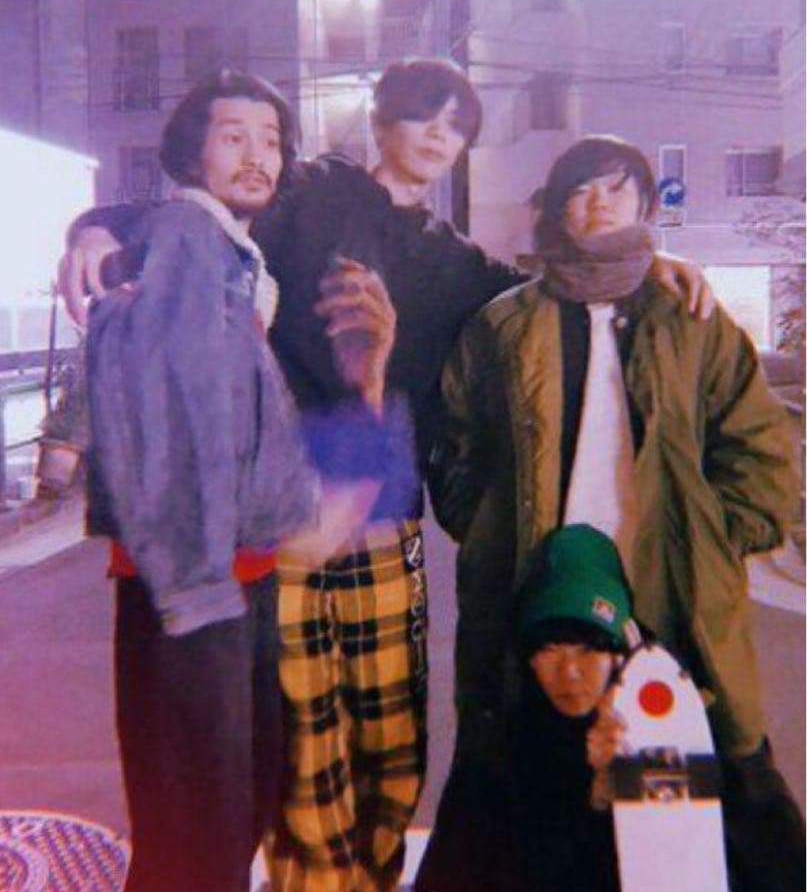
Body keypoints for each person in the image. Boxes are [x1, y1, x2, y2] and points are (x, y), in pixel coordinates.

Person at [60, 62, 713, 891]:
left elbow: (556, 289)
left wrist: (648, 263)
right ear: (378, 121)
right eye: (420, 115)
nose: (439, 134)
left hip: (385, 510)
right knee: (298, 747)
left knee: (390, 737)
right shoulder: (307, 193)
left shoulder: (458, 262)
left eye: (456, 124)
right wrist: (96, 225)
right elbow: (202, 212)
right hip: (285, 515)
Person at [425, 134, 804, 891]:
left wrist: (708, 537)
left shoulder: (691, 318)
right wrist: (490, 525)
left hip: (667, 587)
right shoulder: (504, 324)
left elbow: (760, 450)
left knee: (694, 773)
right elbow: (454, 441)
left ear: (644, 204)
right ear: (556, 210)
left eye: (616, 188)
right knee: (527, 771)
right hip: (537, 587)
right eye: (580, 189)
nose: (597, 203)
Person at [86, 69, 397, 892]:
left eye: (270, 141)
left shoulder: (230, 251)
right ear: (192, 153)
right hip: (196, 579)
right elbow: (172, 423)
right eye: (233, 137)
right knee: (202, 819)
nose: (258, 155)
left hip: (230, 572)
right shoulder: (188, 235)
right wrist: (195, 585)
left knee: (222, 803)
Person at [416, 523, 638, 892]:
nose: (570, 671)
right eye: (550, 649)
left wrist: (614, 791)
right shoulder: (492, 761)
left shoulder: (664, 736)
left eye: (589, 649)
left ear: (619, 654)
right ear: (527, 658)